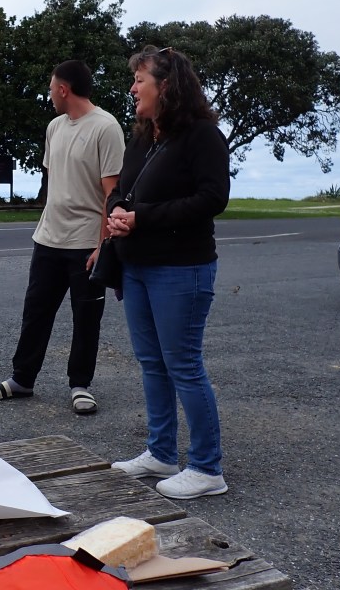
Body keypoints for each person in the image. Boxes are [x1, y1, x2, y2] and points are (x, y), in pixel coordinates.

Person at [107, 45, 230, 500]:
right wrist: (117, 211)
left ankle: (207, 468)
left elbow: (212, 198)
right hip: (136, 265)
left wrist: (142, 217)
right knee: (152, 363)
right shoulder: (143, 136)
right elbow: (120, 189)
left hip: (182, 268)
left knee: (184, 365)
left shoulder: (202, 135)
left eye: (140, 80)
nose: (132, 88)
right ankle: (160, 453)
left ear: (166, 85)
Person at [0, 60, 125, 414]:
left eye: (51, 89)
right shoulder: (54, 127)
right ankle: (22, 380)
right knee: (36, 312)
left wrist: (103, 245)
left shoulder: (106, 127)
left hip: (85, 243)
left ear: (64, 89)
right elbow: (56, 180)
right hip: (48, 238)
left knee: (86, 318)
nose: (49, 95)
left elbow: (112, 194)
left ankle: (80, 384)